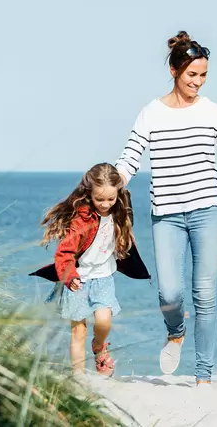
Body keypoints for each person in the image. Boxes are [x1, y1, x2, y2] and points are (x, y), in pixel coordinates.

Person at [114, 30, 217, 386]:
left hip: (208, 212)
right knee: (169, 294)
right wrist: (106, 190)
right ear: (174, 71)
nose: (197, 82)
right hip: (166, 215)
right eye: (191, 75)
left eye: (203, 75)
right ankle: (176, 331)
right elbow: (128, 162)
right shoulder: (151, 114)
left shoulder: (214, 112)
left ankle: (204, 375)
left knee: (204, 293)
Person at [37, 162, 140, 380]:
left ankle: (99, 346)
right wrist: (69, 276)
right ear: (89, 194)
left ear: (117, 194)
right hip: (78, 280)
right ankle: (79, 377)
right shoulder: (81, 218)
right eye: (99, 199)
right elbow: (64, 253)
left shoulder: (120, 210)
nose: (105, 204)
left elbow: (124, 235)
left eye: (110, 199)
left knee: (104, 321)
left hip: (103, 278)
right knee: (78, 331)